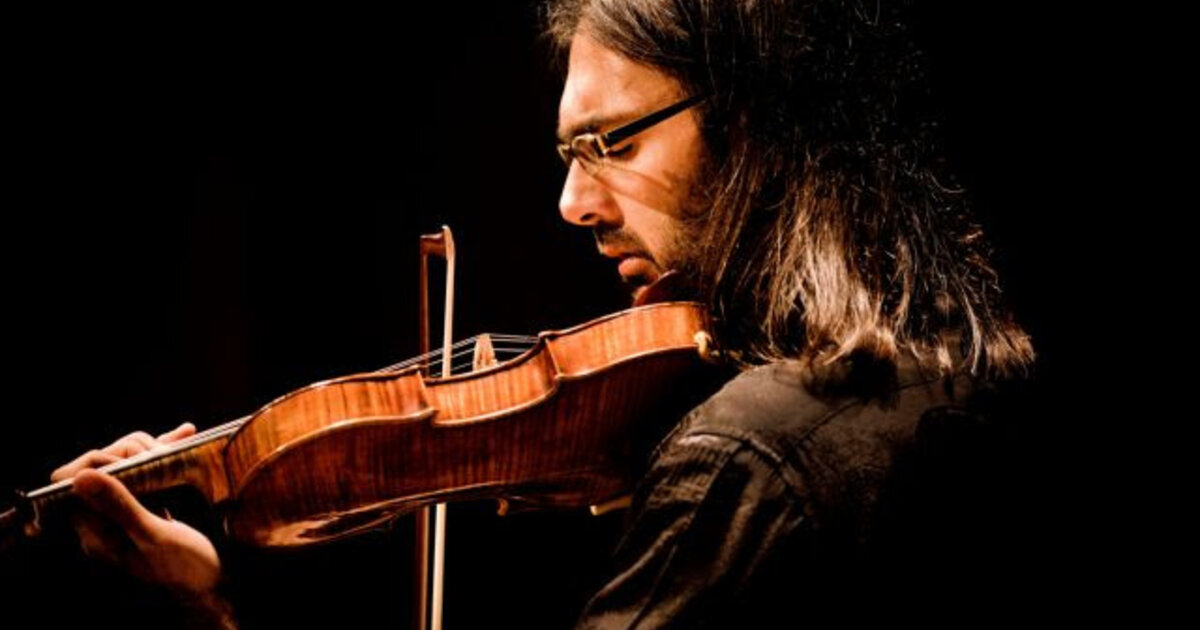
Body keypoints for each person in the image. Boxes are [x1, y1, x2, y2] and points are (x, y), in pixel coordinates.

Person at [52, 0, 1038, 627]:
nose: (572, 204)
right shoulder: (975, 366)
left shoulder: (743, 462)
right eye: (571, 155)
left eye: (611, 143)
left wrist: (212, 614)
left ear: (757, 125)